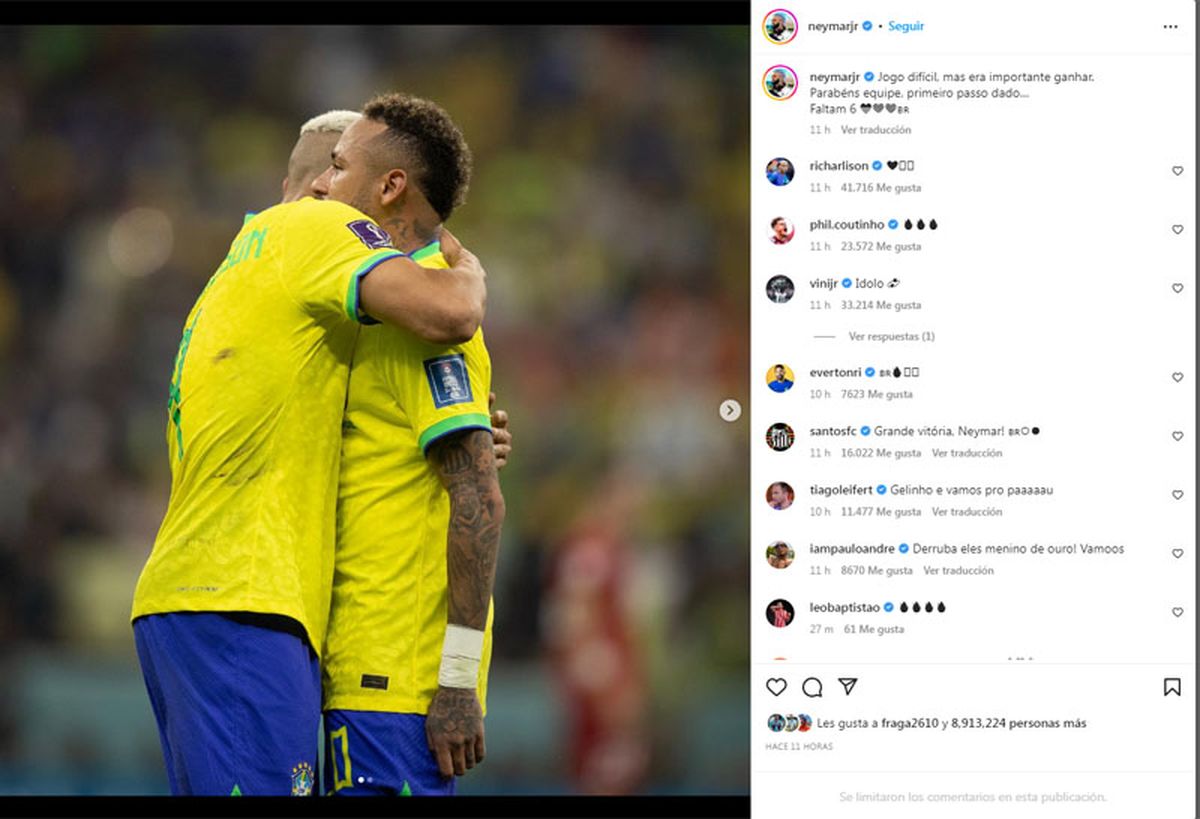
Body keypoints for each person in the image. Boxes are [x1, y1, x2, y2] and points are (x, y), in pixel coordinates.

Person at [130, 98, 491, 796]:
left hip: (200, 596)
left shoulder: (254, 266)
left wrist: (461, 424)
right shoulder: (314, 226)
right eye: (332, 167)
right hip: (244, 599)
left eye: (341, 168)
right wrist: (467, 264)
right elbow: (452, 311)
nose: (330, 184)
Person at [310, 94, 504, 797]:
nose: (323, 184)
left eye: (339, 166)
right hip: (359, 673)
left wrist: (456, 679)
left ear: (391, 186)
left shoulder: (424, 325)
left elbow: (479, 498)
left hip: (395, 686)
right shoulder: (380, 308)